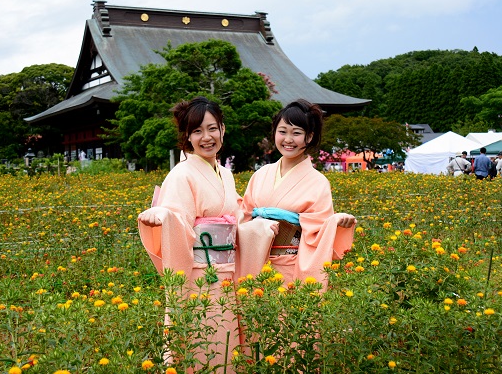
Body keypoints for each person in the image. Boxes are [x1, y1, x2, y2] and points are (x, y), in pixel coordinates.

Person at [138, 96, 240, 372]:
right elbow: (176, 216)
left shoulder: (226, 174)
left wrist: (262, 226)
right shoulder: (181, 174)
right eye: (197, 131)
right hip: (197, 277)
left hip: (227, 275)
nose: (206, 137)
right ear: (187, 137)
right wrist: (163, 216)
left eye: (212, 128)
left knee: (226, 344)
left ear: (223, 129)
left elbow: (237, 218)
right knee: (199, 344)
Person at [238, 99, 357, 289]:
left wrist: (336, 221)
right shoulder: (260, 175)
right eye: (282, 131)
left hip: (290, 268)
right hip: (255, 264)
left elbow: (318, 233)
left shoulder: (318, 182)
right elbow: (243, 218)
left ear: (309, 137)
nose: (288, 139)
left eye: (297, 133)